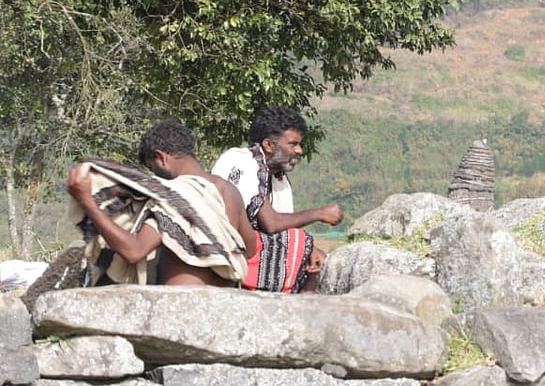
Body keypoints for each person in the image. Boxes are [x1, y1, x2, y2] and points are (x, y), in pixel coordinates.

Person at [66, 120, 257, 286]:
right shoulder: (230, 191)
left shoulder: (173, 195)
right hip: (224, 299)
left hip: (181, 303)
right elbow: (249, 249)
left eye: (152, 168)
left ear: (161, 157)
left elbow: (134, 251)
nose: (155, 176)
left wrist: (87, 201)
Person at [212, 105, 343, 293]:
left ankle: (300, 304)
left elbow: (283, 228)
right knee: (300, 241)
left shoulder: (278, 178)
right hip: (227, 248)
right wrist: (319, 214)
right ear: (268, 145)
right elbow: (272, 223)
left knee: (315, 259)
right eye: (293, 144)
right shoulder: (241, 161)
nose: (299, 150)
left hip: (251, 250)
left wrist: (310, 250)